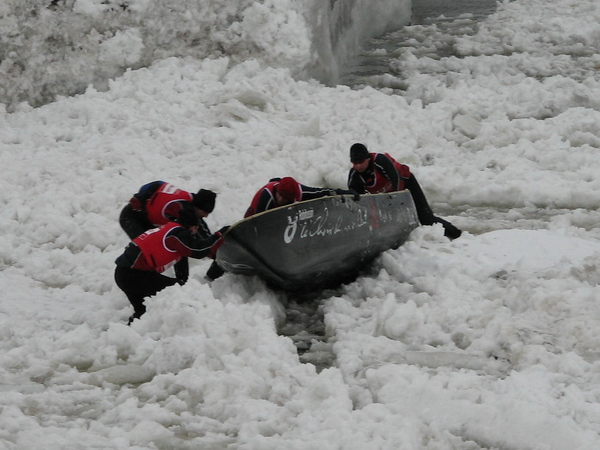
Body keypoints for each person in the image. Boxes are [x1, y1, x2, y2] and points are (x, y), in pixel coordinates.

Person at [114, 202, 229, 324]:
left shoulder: (171, 229)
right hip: (132, 275)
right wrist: (219, 235)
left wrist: (182, 281)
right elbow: (198, 250)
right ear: (192, 227)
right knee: (175, 295)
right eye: (196, 229)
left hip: (123, 274)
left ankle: (137, 334)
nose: (196, 233)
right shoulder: (177, 235)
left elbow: (181, 258)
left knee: (144, 313)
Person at [347, 143, 462, 240]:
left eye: (361, 162)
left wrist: (396, 203)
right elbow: (358, 200)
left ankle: (456, 235)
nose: (359, 166)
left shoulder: (380, 161)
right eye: (355, 163)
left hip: (406, 184)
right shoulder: (355, 176)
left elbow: (396, 178)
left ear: (367, 159)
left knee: (426, 218)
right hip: (387, 195)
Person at [119, 180, 224, 281]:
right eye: (205, 212)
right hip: (132, 218)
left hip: (146, 216)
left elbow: (203, 234)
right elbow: (188, 243)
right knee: (148, 251)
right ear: (198, 207)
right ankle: (140, 281)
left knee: (177, 243)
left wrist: (216, 251)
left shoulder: (191, 200)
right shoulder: (180, 208)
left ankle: (180, 281)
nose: (206, 216)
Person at [244, 176, 359, 218]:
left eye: (285, 198)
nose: (280, 200)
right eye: (280, 195)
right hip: (253, 214)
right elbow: (255, 222)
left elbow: (324, 192)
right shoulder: (267, 195)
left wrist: (346, 193)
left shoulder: (301, 192)